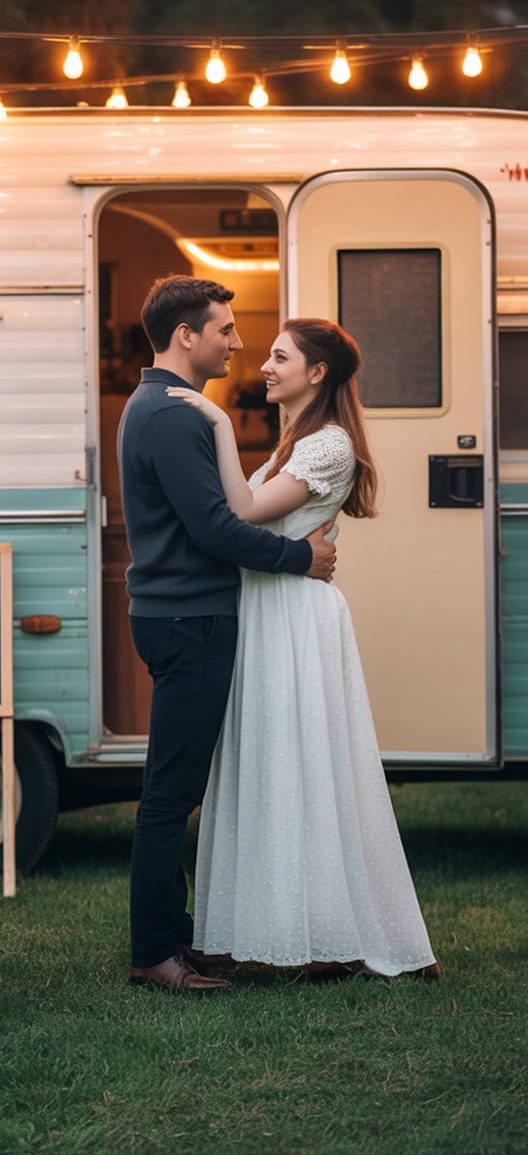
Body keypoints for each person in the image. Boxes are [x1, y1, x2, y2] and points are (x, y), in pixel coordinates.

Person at [169, 317, 437, 980]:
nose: (263, 364)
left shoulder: (328, 447)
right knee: (268, 763)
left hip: (294, 616)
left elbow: (245, 512)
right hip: (270, 610)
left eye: (279, 356)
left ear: (316, 373)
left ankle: (328, 934)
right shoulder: (298, 441)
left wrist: (216, 424)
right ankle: (261, 929)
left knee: (305, 766)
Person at [118, 276, 338, 995]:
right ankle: (157, 952)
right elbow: (217, 529)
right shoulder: (176, 417)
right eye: (225, 329)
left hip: (173, 614)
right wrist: (301, 558)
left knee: (173, 785)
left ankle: (173, 936)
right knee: (170, 793)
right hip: (191, 620)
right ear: (187, 335)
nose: (237, 343)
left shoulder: (152, 406)